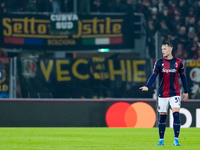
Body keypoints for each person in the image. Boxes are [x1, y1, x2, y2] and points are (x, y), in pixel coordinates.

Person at [139, 41, 188, 146]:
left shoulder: (178, 62)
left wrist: (186, 91)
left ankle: (176, 139)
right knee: (162, 117)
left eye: (164, 49)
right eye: (162, 49)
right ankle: (161, 140)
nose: (163, 51)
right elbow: (154, 75)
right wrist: (147, 86)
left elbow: (183, 77)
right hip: (162, 93)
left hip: (175, 93)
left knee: (176, 114)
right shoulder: (159, 62)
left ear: (170, 49)